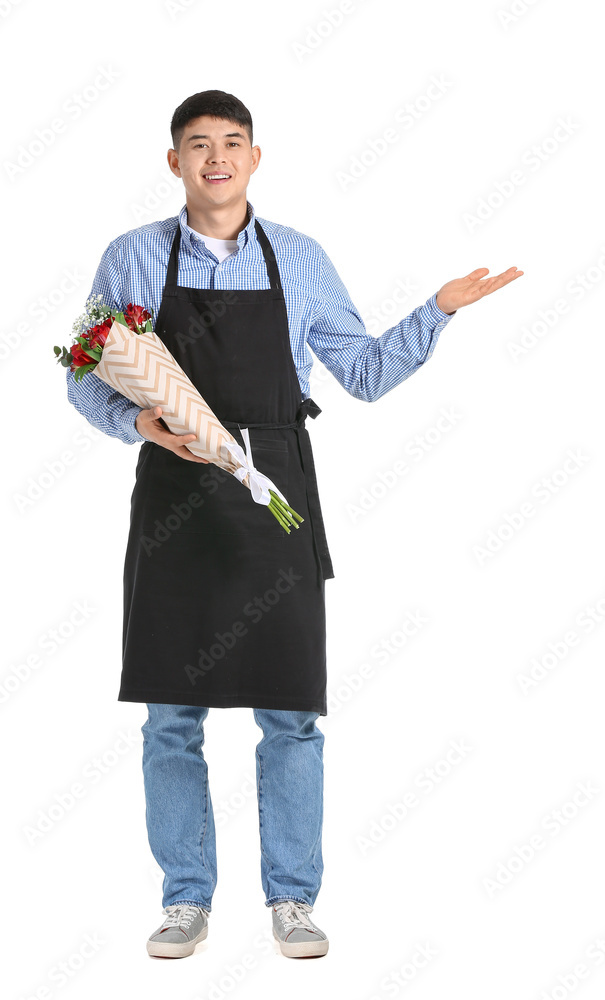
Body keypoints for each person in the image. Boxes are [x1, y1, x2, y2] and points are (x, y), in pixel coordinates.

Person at [66, 89, 523, 960]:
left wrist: (438, 309)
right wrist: (142, 425)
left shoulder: (300, 259)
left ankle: (291, 898)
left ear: (254, 157)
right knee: (171, 716)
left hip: (274, 498)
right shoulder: (130, 258)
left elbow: (362, 371)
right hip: (174, 501)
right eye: (197, 145)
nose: (215, 158)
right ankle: (185, 898)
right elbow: (86, 376)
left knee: (290, 718)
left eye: (231, 142)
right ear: (173, 162)